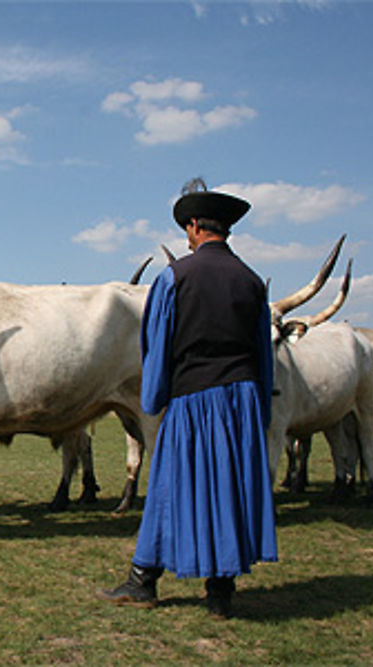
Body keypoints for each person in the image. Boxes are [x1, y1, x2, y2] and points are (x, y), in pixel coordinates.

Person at [98, 179, 278, 618]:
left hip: (193, 400)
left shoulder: (174, 277)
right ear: (226, 230)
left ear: (194, 227)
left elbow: (156, 346)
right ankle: (221, 593)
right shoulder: (252, 281)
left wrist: (154, 398)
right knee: (230, 491)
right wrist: (260, 410)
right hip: (241, 400)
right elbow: (263, 353)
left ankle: (143, 581)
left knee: (166, 486)